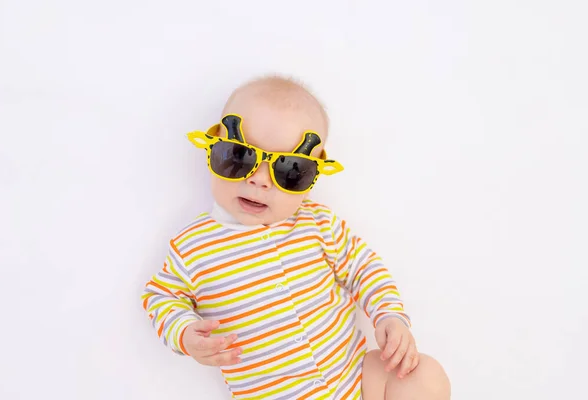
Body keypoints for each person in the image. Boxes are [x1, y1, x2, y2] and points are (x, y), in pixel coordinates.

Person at [142, 76, 451, 399]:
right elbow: (160, 297)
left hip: (358, 382)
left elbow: (362, 267)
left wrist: (388, 314)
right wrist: (185, 333)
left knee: (423, 375)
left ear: (314, 175)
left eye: (290, 171)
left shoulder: (317, 224)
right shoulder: (194, 245)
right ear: (211, 150)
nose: (259, 181)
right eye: (238, 156)